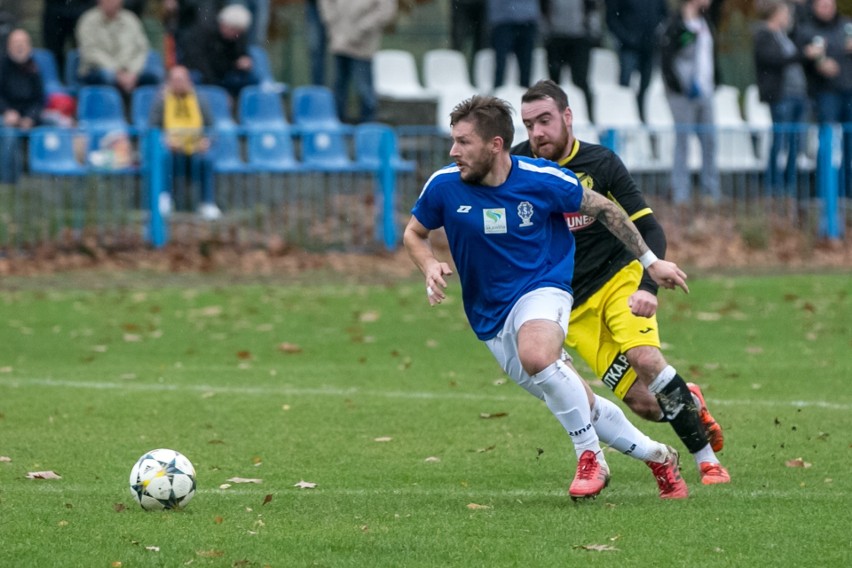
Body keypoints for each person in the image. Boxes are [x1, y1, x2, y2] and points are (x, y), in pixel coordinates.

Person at [405, 94, 692, 500]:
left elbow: (606, 209)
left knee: (538, 355)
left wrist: (649, 261)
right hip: (489, 317)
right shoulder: (444, 185)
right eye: (453, 141)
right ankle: (659, 456)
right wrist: (429, 265)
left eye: (463, 142)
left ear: (495, 145)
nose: (454, 152)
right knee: (580, 401)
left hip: (545, 288)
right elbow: (414, 234)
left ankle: (590, 457)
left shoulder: (542, 179)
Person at [512, 79, 730, 485]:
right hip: (571, 305)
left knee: (646, 358)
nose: (537, 133)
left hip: (619, 279)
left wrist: (648, 286)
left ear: (567, 117)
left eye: (545, 120)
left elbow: (649, 227)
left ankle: (707, 462)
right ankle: (690, 400)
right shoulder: (519, 167)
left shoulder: (601, 163)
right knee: (645, 405)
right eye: (528, 125)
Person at [660, 0, 721, 208]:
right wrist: (678, 85)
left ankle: (710, 191)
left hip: (706, 91)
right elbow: (667, 58)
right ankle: (680, 192)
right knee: (683, 141)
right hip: (682, 94)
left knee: (710, 141)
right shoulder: (675, 25)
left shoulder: (706, 22)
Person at [795, 0, 852, 198]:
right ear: (814, 8)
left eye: (830, 5)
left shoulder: (847, 25)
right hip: (825, 93)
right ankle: (824, 191)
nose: (827, 10)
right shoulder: (806, 30)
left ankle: (847, 190)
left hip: (849, 91)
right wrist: (816, 61)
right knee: (826, 142)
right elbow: (800, 59)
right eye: (822, 6)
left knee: (850, 143)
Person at [753, 0, 810, 198]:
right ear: (776, 14)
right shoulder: (763, 35)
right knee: (780, 141)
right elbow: (773, 59)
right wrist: (802, 55)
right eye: (785, 13)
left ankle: (790, 187)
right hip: (781, 96)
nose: (788, 17)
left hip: (798, 95)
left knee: (795, 143)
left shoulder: (786, 35)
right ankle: (772, 187)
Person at [149, 65, 221, 220]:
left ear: (189, 81)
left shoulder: (199, 99)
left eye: (182, 79)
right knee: (164, 158)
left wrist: (206, 141)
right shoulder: (161, 100)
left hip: (196, 149)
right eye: (175, 80)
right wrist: (165, 140)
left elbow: (212, 127)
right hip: (172, 150)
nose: (179, 83)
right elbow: (152, 127)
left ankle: (207, 203)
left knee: (207, 160)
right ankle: (165, 199)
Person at [319, 0, 397, 124]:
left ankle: (368, 128)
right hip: (339, 43)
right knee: (339, 87)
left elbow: (386, 11)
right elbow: (327, 5)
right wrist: (333, 24)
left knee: (364, 89)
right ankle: (338, 126)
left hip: (363, 46)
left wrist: (362, 28)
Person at [75, 0, 162, 96]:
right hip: (97, 70)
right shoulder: (87, 20)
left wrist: (133, 72)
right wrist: (117, 72)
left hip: (130, 71)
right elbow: (90, 52)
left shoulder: (131, 19)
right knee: (107, 77)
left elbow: (142, 50)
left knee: (154, 76)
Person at [604, 0, 668, 121]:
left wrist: (656, 36)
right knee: (624, 87)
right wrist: (626, 38)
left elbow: (663, 15)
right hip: (628, 46)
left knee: (646, 87)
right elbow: (611, 18)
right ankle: (622, 118)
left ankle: (642, 117)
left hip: (650, 46)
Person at [180, 3, 259, 100]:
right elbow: (201, 64)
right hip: (208, 76)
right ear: (224, 24)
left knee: (252, 78)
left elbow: (243, 54)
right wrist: (220, 92)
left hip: (227, 76)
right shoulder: (204, 35)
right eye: (233, 30)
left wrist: (245, 61)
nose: (236, 35)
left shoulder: (238, 38)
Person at [540, 0, 602, 119]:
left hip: (579, 39)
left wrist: (592, 34)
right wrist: (546, 33)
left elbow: (592, 9)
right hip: (555, 39)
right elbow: (542, 10)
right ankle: (551, 119)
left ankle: (590, 118)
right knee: (553, 84)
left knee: (581, 81)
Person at [0, 29, 45, 183]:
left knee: (56, 127)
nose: (20, 47)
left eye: (23, 43)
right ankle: (8, 182)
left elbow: (39, 99)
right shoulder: (2, 66)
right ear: (8, 46)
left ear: (29, 47)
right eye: (16, 43)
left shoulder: (34, 68)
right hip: (6, 116)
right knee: (9, 134)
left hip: (28, 116)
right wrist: (7, 111)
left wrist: (30, 117)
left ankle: (47, 179)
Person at [485, 0, 539, 89]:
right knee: (501, 65)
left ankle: (526, 96)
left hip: (527, 19)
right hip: (503, 20)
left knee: (526, 66)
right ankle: (496, 95)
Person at [42, 0, 94, 79]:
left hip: (81, 8)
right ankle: (56, 84)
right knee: (53, 53)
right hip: (54, 9)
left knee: (83, 53)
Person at [450, 0, 487, 68]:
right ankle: (452, 71)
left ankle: (478, 73)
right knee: (457, 45)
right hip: (461, 4)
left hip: (483, 5)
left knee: (483, 48)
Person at [305, 0, 327, 85]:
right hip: (315, 6)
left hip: (342, 7)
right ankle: (318, 93)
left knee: (344, 54)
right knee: (316, 51)